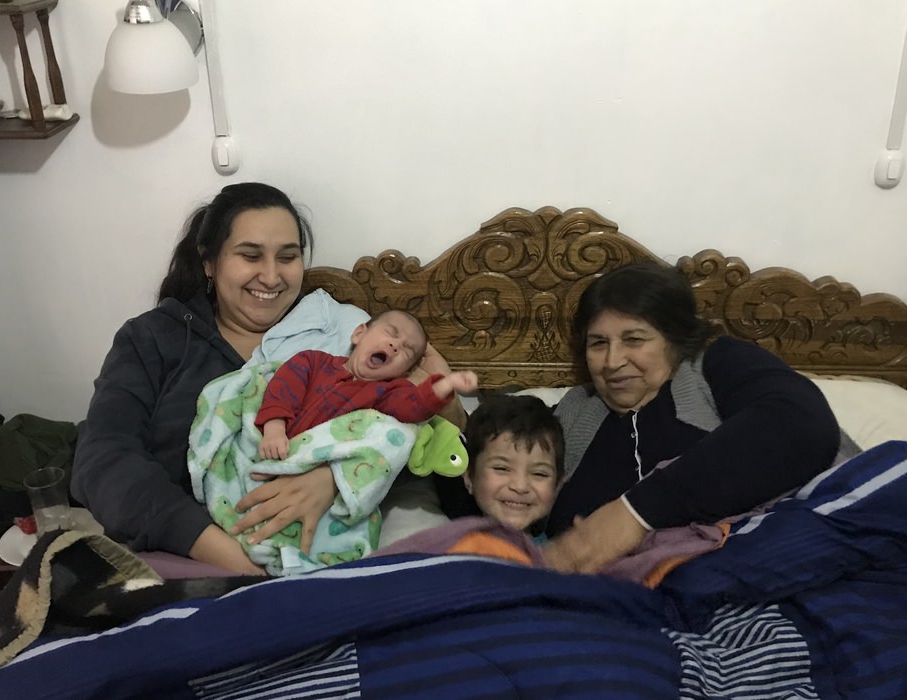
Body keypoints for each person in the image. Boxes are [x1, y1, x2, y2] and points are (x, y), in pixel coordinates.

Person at [71, 182, 464, 576]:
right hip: (188, 560)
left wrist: (335, 477)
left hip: (325, 554)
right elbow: (103, 461)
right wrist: (231, 558)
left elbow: (412, 437)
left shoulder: (346, 331)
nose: (272, 276)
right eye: (250, 256)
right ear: (209, 262)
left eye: (288, 257)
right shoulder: (153, 339)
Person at [541, 262, 843, 574]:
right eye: (598, 343)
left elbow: (801, 426)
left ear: (673, 340)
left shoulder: (717, 366)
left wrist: (635, 514)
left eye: (634, 339)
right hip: (625, 596)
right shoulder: (573, 412)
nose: (612, 361)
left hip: (792, 565)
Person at [257, 310, 478, 460]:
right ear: (359, 334)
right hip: (274, 443)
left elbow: (415, 405)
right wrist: (274, 428)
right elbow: (283, 388)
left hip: (319, 466)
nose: (395, 345)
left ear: (405, 372)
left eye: (407, 350)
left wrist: (446, 383)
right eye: (391, 333)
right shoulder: (313, 361)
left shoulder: (387, 393)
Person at [460, 394, 564, 541]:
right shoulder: (444, 547)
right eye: (501, 468)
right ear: (469, 476)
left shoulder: (557, 554)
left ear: (557, 485)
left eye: (539, 473)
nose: (520, 486)